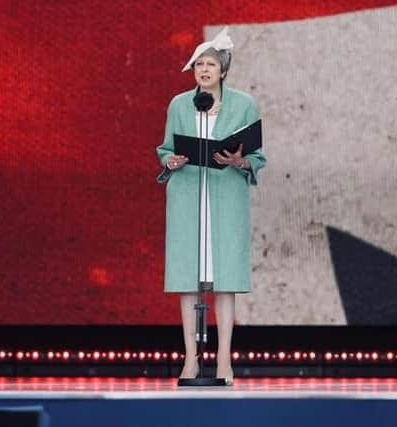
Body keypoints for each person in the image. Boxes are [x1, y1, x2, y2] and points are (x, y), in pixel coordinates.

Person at [156, 27, 266, 385]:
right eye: (199, 64)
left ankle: (223, 361)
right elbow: (165, 149)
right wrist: (170, 161)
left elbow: (256, 155)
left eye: (210, 64)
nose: (204, 70)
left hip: (225, 194)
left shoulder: (244, 104)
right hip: (190, 194)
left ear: (223, 69)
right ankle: (190, 359)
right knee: (190, 279)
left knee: (225, 281)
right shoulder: (178, 104)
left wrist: (239, 161)